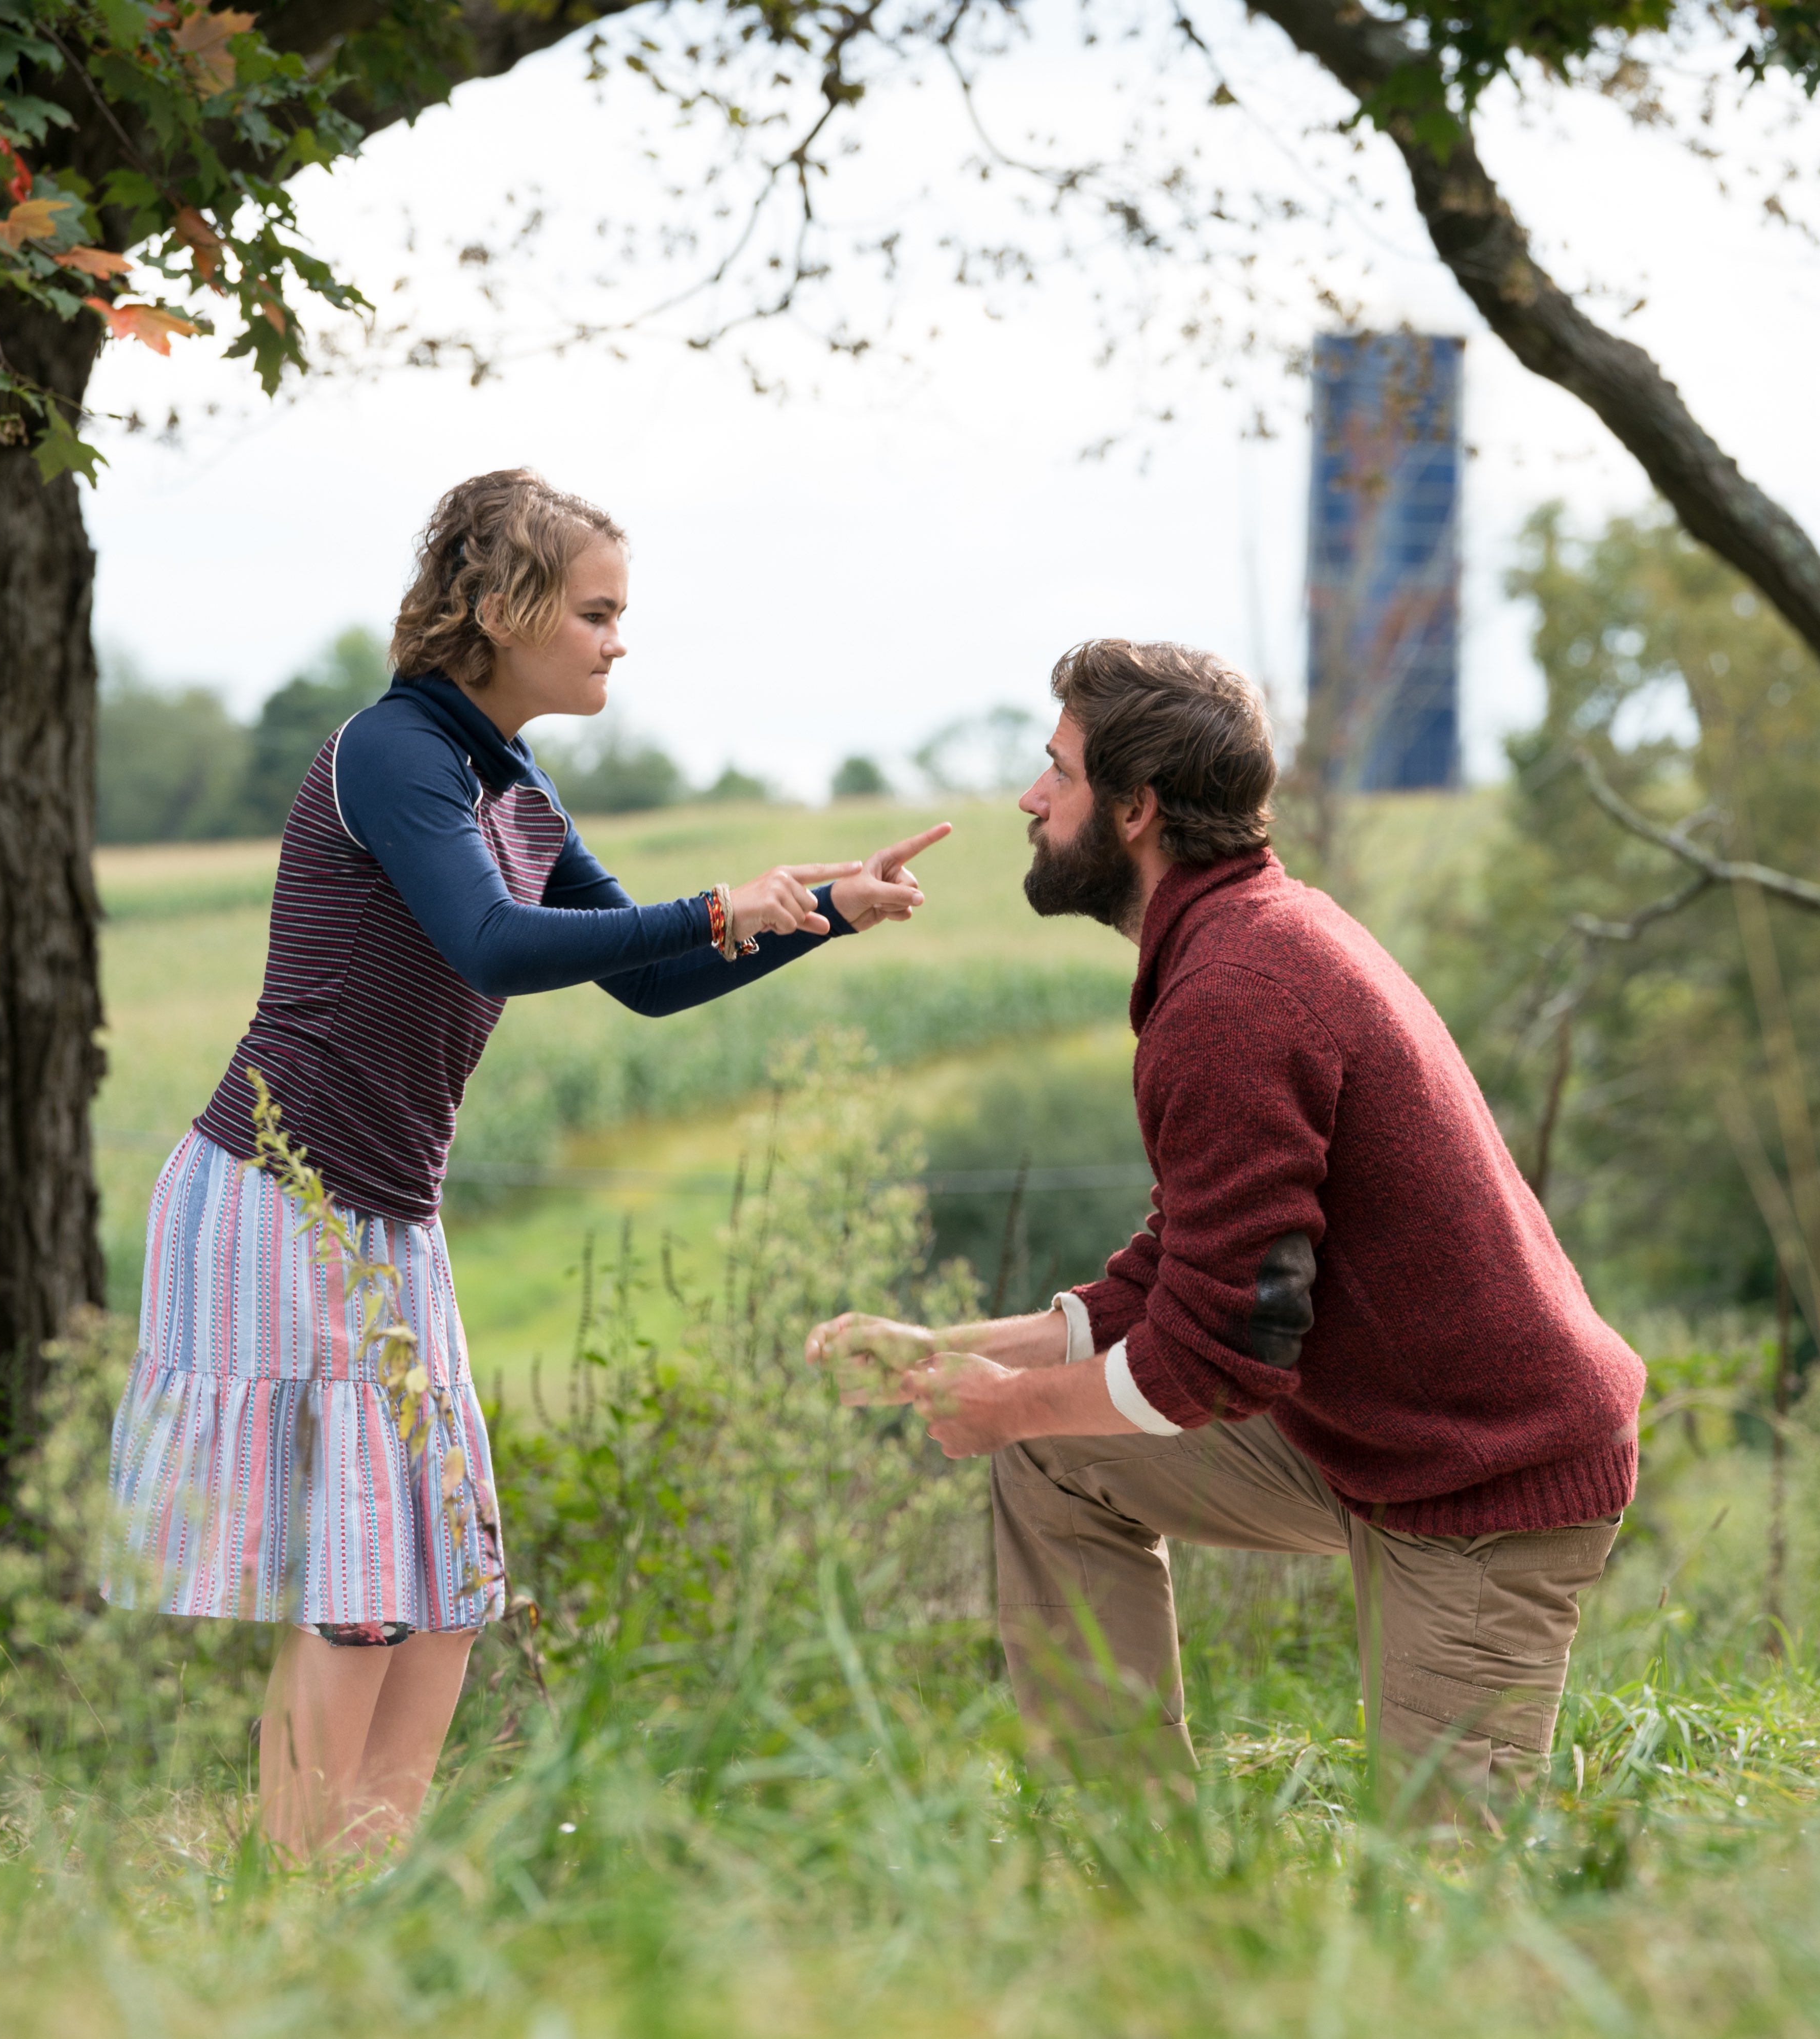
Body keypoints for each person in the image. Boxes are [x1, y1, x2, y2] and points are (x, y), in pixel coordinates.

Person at [106, 469, 948, 1859]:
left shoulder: (509, 775)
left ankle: (365, 1895)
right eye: (599, 611)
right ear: (504, 609)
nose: (621, 639)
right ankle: (291, 1904)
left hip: (381, 1213)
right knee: (367, 1581)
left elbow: (653, 984)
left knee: (444, 1578)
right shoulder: (395, 752)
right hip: (280, 1195)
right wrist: (711, 903)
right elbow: (489, 943)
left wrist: (822, 916)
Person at [809, 639, 1643, 1812]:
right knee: (1055, 1453)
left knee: (1448, 1894)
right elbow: (1179, 1275)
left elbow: (1220, 1351)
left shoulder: (1238, 989)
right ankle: (1134, 1860)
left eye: (1059, 771)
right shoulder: (1238, 942)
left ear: (1138, 809)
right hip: (1372, 1433)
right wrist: (958, 1357)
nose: (1029, 798)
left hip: (1484, 1474)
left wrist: (1007, 1403)